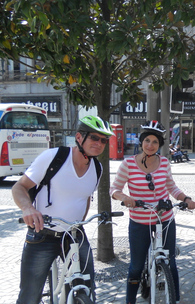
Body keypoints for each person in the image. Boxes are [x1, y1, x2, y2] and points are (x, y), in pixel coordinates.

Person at [12, 115, 114, 304]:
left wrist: (79, 224)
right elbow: (19, 187)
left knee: (85, 288)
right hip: (43, 234)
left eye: (104, 140)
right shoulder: (54, 157)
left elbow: (85, 198)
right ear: (79, 137)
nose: (99, 143)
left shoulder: (97, 168)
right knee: (29, 296)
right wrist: (27, 209)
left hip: (75, 234)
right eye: (94, 137)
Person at [110, 120, 195, 304]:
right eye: (147, 140)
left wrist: (186, 199)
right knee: (135, 266)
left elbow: (171, 187)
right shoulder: (128, 164)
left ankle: (175, 299)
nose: (150, 145)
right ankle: (130, 301)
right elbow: (114, 190)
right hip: (140, 222)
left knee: (170, 262)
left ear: (160, 145)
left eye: (155, 142)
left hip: (164, 219)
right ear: (141, 142)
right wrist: (125, 197)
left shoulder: (164, 162)